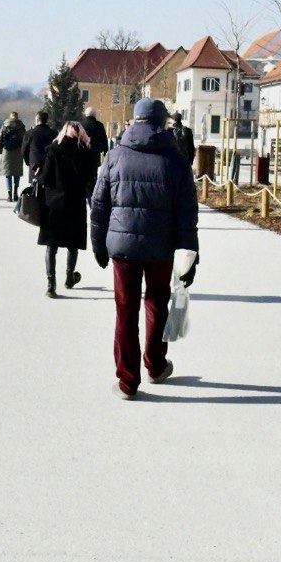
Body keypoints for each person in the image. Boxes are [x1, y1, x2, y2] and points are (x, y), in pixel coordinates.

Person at [90, 97, 199, 400]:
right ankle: (155, 365)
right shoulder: (177, 161)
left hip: (122, 248)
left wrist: (98, 244)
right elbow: (187, 212)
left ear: (134, 121)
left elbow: (99, 206)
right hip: (161, 248)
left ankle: (127, 381)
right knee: (156, 304)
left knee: (125, 311)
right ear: (164, 124)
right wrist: (190, 254)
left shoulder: (115, 156)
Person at [38, 121, 92, 297]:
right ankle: (69, 278)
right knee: (72, 243)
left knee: (51, 245)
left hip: (53, 202)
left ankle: (50, 284)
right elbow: (89, 180)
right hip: (75, 202)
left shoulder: (53, 150)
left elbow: (45, 178)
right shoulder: (84, 153)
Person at [0, 110, 27, 201]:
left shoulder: (5, 126)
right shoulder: (22, 127)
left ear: (10, 117)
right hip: (18, 151)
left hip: (7, 151)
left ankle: (9, 194)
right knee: (16, 173)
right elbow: (25, 140)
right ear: (17, 117)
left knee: (8, 174)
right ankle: (15, 192)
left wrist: (0, 150)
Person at [80, 106, 109, 196]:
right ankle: (93, 191)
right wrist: (105, 152)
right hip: (94, 154)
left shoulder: (81, 125)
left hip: (82, 154)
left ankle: (83, 190)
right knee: (93, 173)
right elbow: (104, 140)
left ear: (86, 114)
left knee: (82, 172)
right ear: (94, 114)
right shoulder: (99, 125)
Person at [23, 110, 58, 182]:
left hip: (34, 164)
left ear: (37, 120)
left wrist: (28, 162)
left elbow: (24, 150)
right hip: (49, 164)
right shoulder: (53, 133)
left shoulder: (30, 133)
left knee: (34, 187)